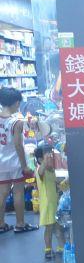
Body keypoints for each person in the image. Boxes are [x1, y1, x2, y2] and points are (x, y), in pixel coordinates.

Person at [0, 87, 36, 234]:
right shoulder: (16, 122)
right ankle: (20, 224)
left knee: (2, 193)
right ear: (16, 103)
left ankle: (1, 223)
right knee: (18, 192)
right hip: (15, 162)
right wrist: (24, 166)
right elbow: (18, 145)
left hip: (1, 162)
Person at [34, 143, 63, 261]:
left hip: (54, 203)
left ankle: (61, 247)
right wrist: (44, 162)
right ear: (41, 159)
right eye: (47, 156)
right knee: (49, 228)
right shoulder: (40, 170)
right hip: (47, 205)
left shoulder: (51, 170)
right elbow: (40, 171)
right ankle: (48, 249)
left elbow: (56, 183)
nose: (50, 158)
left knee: (58, 226)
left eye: (50, 156)